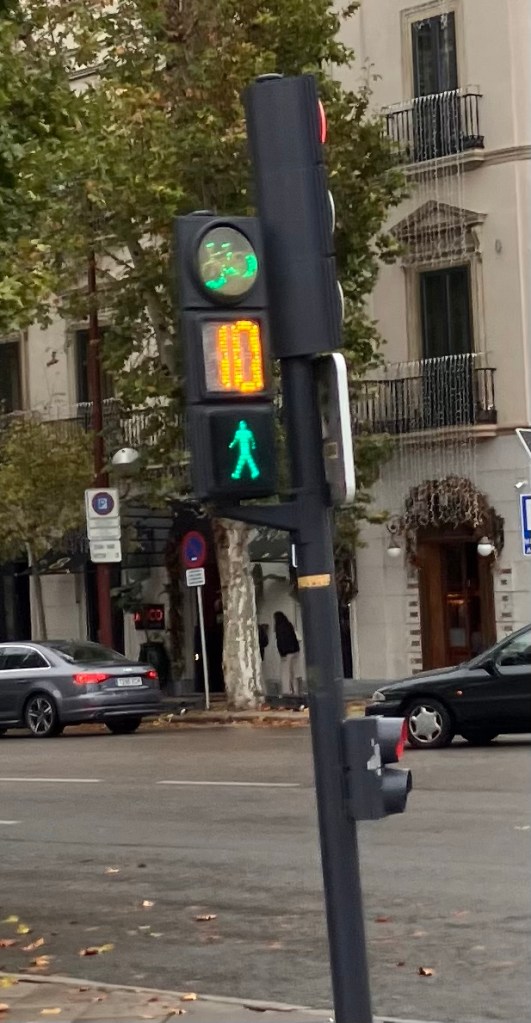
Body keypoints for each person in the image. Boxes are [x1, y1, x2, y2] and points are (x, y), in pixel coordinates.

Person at [273, 611, 301, 695]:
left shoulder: (279, 627)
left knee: (285, 672)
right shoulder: (289, 625)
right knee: (293, 672)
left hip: (286, 653)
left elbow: (280, 641)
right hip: (295, 651)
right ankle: (295, 690)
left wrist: (282, 653)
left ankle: (286, 691)